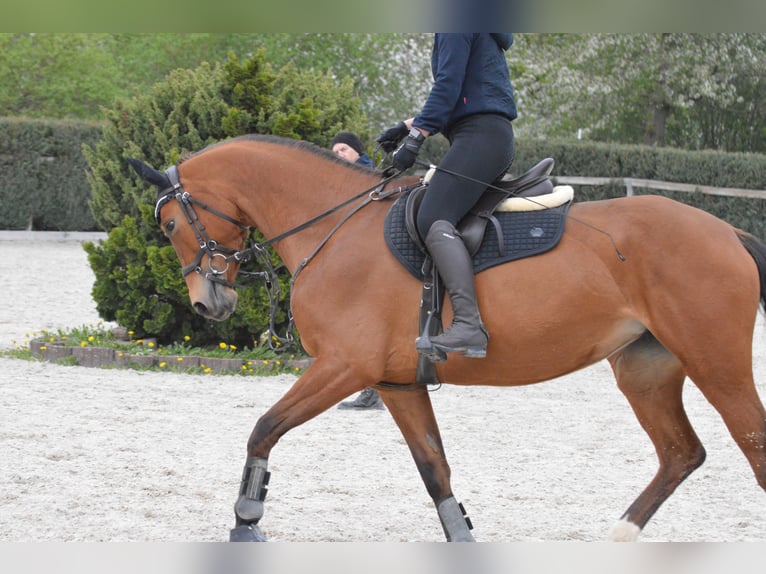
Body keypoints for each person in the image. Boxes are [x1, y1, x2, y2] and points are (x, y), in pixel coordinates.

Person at [377, 33, 517, 361]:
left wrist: (416, 138)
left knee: (432, 216)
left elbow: (448, 84)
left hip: (480, 137)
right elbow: (466, 92)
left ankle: (469, 323)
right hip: (484, 134)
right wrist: (408, 125)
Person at [330, 130, 385, 411]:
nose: (338, 155)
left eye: (343, 150)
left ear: (356, 152)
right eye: (334, 151)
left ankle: (371, 393)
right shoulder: (344, 182)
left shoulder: (367, 179)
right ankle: (372, 392)